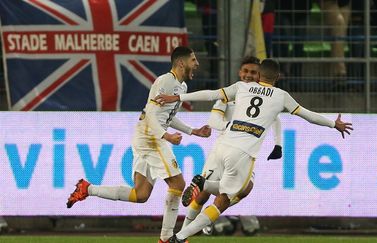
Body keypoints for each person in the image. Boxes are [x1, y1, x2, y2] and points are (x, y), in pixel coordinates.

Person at [156, 59, 353, 242]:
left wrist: (177, 96)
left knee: (237, 189)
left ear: (259, 76)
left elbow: (211, 93)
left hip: (224, 145)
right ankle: (181, 236)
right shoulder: (282, 96)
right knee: (225, 199)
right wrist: (333, 124)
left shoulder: (243, 87)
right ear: (277, 78)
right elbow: (308, 115)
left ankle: (202, 188)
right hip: (242, 153)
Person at [66, 46, 211, 243]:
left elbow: (167, 117)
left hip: (149, 135)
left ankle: (87, 189)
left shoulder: (182, 87)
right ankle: (167, 238)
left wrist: (193, 131)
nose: (197, 63)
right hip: (150, 137)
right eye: (193, 60)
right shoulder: (165, 81)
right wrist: (166, 137)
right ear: (181, 63)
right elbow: (151, 114)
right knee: (178, 184)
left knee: (140, 194)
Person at [180, 56, 283, 234]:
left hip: (244, 151)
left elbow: (276, 119)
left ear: (259, 75)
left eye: (253, 72)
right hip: (224, 147)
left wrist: (278, 144)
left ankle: (206, 218)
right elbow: (213, 119)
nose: (249, 75)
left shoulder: (267, 96)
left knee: (244, 189)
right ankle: (186, 229)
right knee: (203, 194)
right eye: (246, 71)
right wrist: (230, 127)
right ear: (239, 72)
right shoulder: (230, 93)